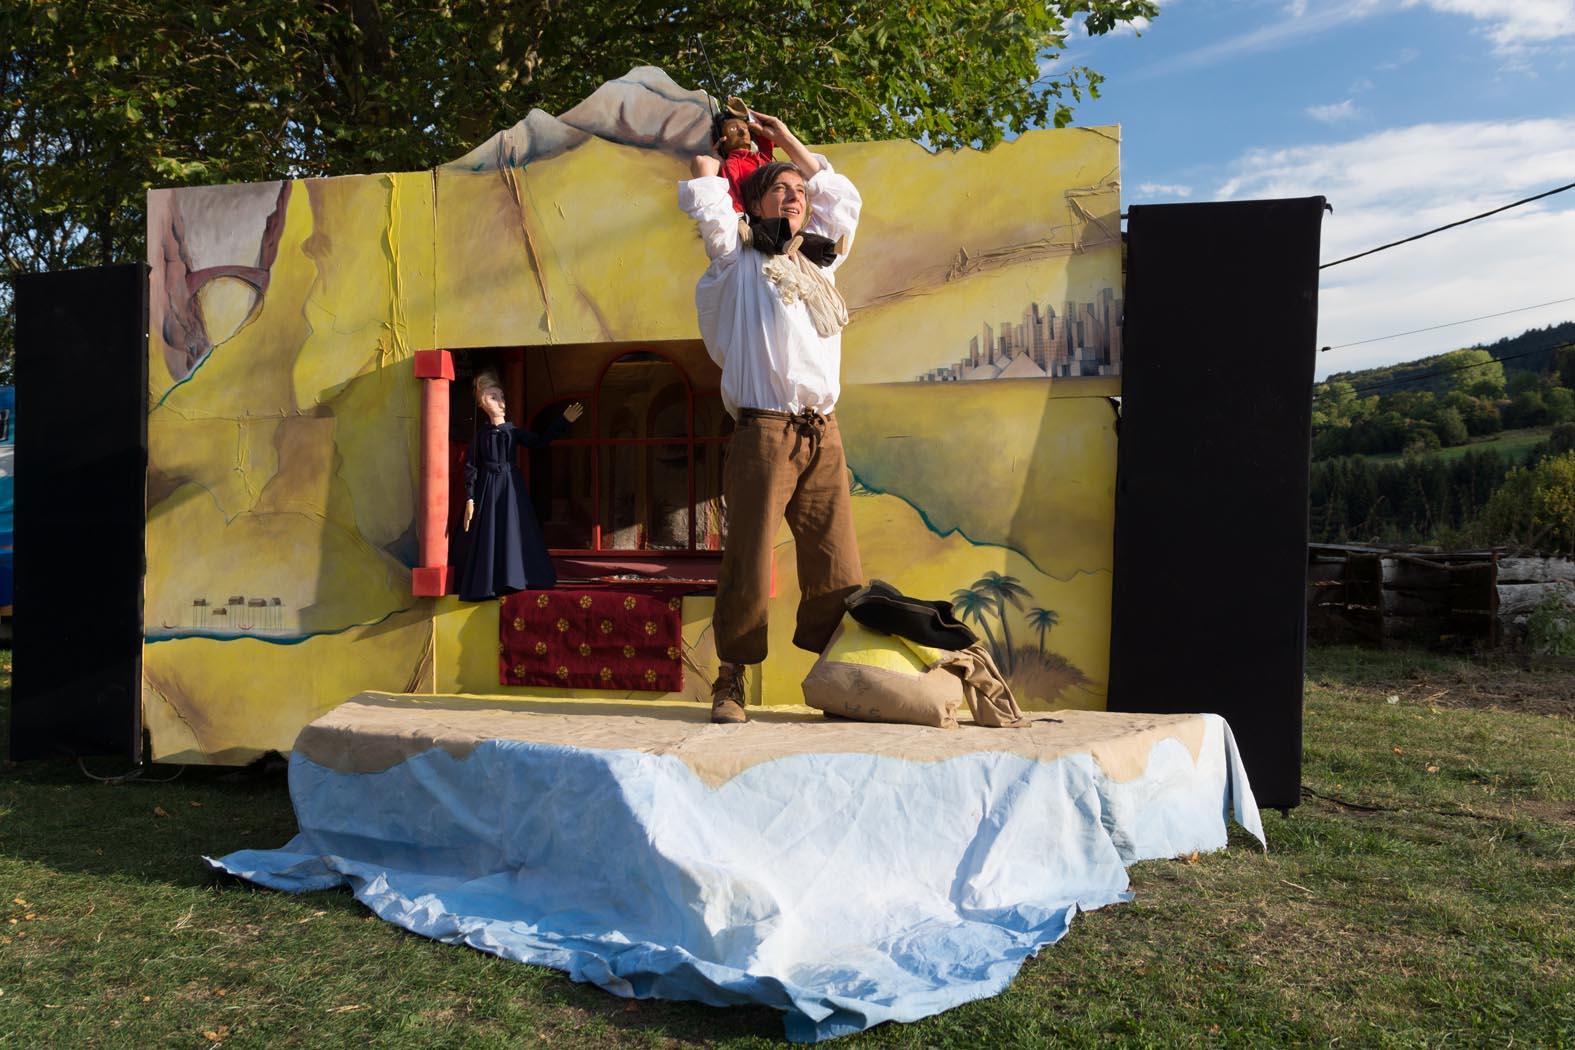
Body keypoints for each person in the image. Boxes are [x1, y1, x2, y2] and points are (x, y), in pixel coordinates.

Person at [679, 110, 864, 724]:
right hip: (763, 430)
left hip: (823, 431)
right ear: (754, 202)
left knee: (837, 562)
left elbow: (841, 195)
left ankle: (836, 676)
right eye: (780, 189)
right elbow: (705, 182)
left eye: (800, 192)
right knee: (750, 558)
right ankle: (730, 677)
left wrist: (784, 138)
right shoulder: (736, 259)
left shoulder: (821, 262)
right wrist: (730, 144)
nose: (796, 196)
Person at [457, 371, 584, 602]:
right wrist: (470, 498)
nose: (500, 402)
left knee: (513, 530)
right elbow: (471, 466)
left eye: (501, 397)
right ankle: (488, 582)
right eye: (493, 397)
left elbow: (540, 442)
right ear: (482, 402)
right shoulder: (481, 436)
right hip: (488, 488)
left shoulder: (513, 432)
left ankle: (517, 577)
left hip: (510, 488)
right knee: (490, 533)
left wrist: (562, 421)